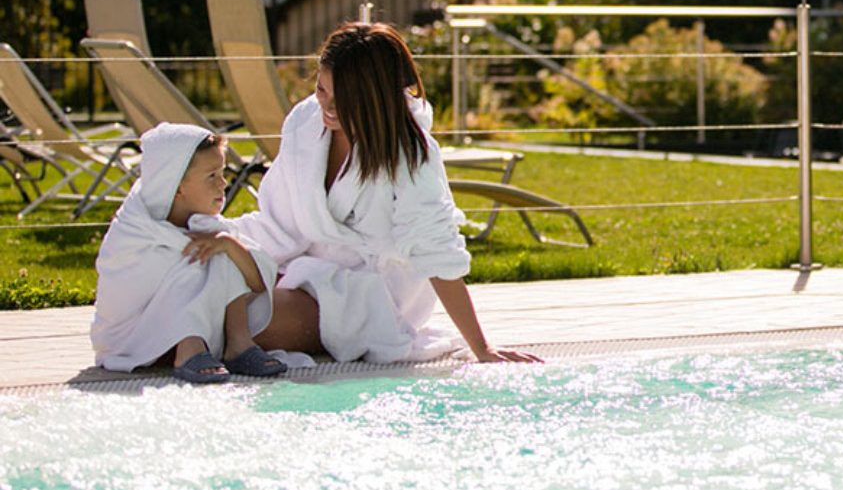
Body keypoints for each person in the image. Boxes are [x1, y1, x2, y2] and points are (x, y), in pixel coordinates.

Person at [235, 22, 541, 364]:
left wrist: (482, 348)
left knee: (243, 323)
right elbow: (279, 219)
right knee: (197, 288)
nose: (329, 108)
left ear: (375, 98)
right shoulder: (306, 121)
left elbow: (436, 249)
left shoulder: (409, 154)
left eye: (344, 100)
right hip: (299, 267)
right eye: (322, 91)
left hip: (367, 293)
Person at [91, 122, 287, 383]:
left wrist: (229, 245)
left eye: (223, 173)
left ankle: (239, 345)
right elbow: (122, 301)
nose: (224, 184)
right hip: (132, 341)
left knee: (219, 249)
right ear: (177, 186)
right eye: (212, 176)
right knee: (197, 258)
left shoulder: (206, 226)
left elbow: (258, 283)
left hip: (188, 340)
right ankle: (189, 348)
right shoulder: (134, 232)